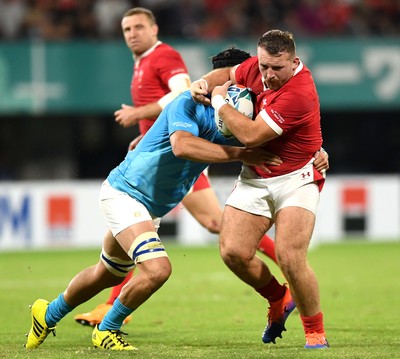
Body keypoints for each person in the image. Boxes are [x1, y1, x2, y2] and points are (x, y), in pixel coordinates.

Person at [24, 47, 286, 351]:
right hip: (125, 193)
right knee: (158, 268)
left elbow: (283, 133)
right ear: (225, 77)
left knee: (106, 274)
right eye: (243, 76)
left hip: (150, 206)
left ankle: (47, 313)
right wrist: (241, 153)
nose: (252, 83)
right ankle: (108, 329)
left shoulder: (238, 114)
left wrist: (316, 151)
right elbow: (182, 146)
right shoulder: (188, 101)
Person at [73, 7, 288, 328]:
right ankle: (113, 306)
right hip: (164, 151)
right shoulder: (142, 62)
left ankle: (284, 272)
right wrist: (146, 137)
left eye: (138, 27)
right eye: (126, 29)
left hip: (184, 152)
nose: (131, 34)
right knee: (143, 229)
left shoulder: (164, 57)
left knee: (212, 224)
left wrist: (139, 116)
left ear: (154, 29)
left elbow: (182, 91)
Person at [191, 30, 329, 349]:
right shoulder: (256, 67)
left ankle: (315, 333)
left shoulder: (299, 92)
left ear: (294, 62)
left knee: (290, 256)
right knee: (233, 253)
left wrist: (218, 102)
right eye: (264, 66)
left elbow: (253, 136)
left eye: (276, 68)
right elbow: (226, 73)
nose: (268, 75)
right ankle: (279, 297)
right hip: (255, 175)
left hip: (298, 177)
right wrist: (202, 82)